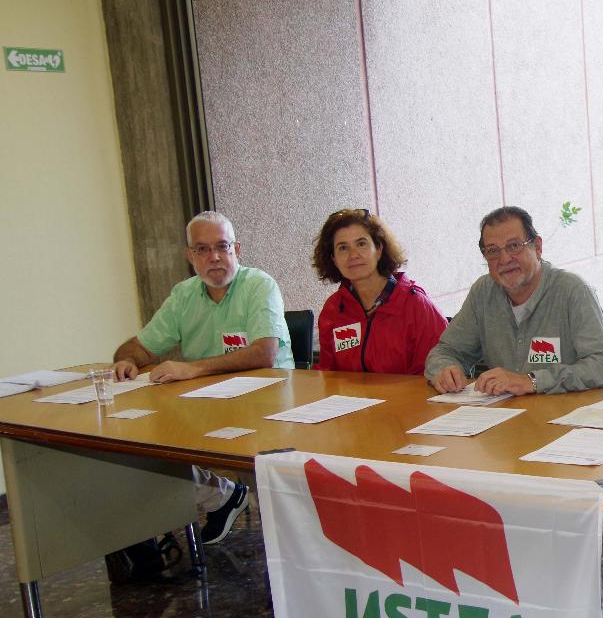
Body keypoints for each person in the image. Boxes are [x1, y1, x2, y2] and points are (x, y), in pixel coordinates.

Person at [111, 211, 294, 545]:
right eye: (203, 249)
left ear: (237, 249)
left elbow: (263, 353)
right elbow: (139, 346)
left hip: (266, 406)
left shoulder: (259, 285)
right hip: (206, 405)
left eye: (223, 247)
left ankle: (282, 541)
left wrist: (191, 368)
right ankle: (221, 498)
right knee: (140, 445)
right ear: (189, 256)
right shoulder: (184, 295)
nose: (215, 258)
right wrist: (127, 360)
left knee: (266, 486)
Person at [424, 206, 603, 395]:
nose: (504, 259)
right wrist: (444, 369)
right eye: (493, 251)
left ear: (538, 247)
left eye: (514, 246)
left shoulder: (573, 291)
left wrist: (532, 381)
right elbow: (446, 351)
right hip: (507, 417)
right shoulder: (483, 292)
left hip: (572, 416)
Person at [312, 209, 446, 374]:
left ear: (379, 249)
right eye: (343, 248)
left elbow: (437, 372)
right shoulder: (333, 309)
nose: (353, 255)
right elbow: (328, 374)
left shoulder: (416, 306)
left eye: (361, 244)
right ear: (333, 259)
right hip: (350, 399)